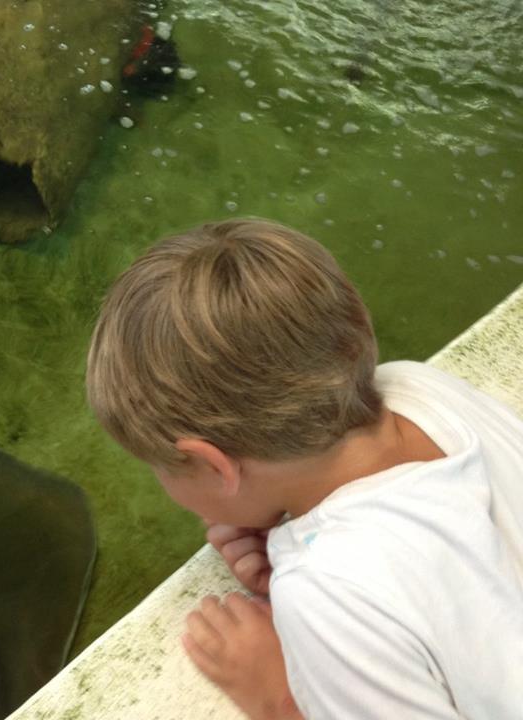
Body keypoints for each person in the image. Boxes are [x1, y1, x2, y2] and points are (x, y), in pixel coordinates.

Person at [85, 218, 523, 719]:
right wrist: (291, 529)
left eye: (158, 466)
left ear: (214, 464)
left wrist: (277, 696)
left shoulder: (326, 598)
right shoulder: (419, 387)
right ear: (355, 320)